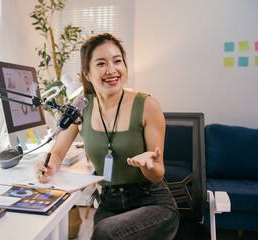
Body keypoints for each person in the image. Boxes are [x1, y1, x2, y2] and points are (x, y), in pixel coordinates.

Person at [35, 33, 179, 240]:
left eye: (117, 61)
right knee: (104, 231)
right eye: (101, 63)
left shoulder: (148, 106)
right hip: (109, 203)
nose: (112, 70)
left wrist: (149, 165)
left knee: (105, 233)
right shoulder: (81, 106)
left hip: (152, 202)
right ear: (87, 72)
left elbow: (158, 173)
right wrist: (48, 166)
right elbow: (57, 152)